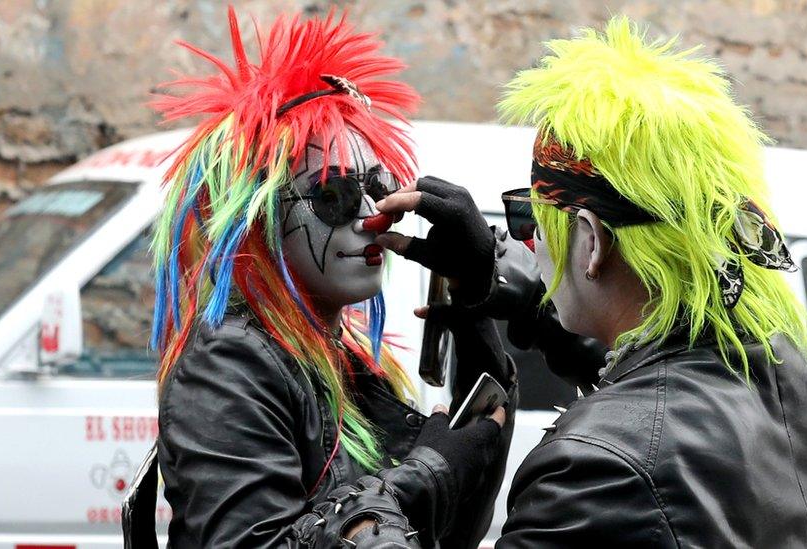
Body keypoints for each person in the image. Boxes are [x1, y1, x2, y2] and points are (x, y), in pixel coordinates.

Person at [291, 16, 807, 548]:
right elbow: (659, 374)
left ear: (592, 241)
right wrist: (514, 295)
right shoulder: (794, 372)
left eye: (533, 223)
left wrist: (397, 496)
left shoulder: (599, 467)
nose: (529, 245)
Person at [121, 9, 523, 549]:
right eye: (333, 197)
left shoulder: (344, 363)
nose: (370, 217)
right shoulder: (228, 363)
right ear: (258, 221)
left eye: (379, 190)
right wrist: (425, 476)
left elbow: (450, 533)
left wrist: (473, 300)